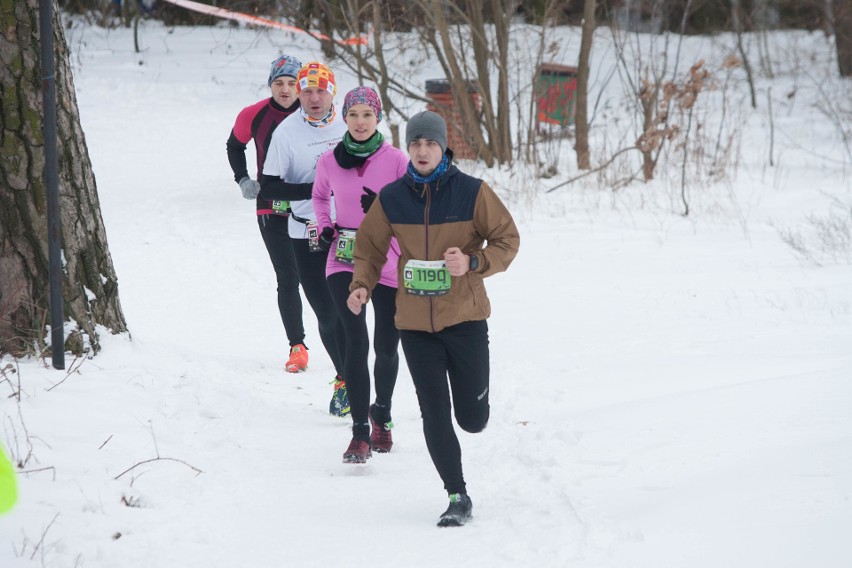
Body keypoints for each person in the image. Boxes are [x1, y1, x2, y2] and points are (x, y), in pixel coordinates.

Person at [347, 111, 520, 526]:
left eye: (431, 143)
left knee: (472, 419)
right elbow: (369, 248)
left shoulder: (472, 192)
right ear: (408, 148)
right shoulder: (392, 197)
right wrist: (361, 285)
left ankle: (475, 412)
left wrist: (474, 260)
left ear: (444, 147)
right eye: (416, 143)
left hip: (465, 319)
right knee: (434, 413)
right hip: (414, 325)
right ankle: (457, 494)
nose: (423, 150)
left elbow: (507, 240)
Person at [312, 86, 408, 463]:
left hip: (387, 260)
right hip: (345, 258)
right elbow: (320, 197)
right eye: (353, 115)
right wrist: (325, 225)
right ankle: (359, 432)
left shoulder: (397, 160)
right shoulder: (328, 161)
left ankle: (381, 413)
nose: (361, 122)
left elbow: (416, 204)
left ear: (378, 118)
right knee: (355, 341)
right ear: (344, 119)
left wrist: (385, 208)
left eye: (368, 115)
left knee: (386, 346)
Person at [260, 62, 349, 416]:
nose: (313, 98)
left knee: (350, 311)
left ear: (333, 93)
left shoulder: (351, 123)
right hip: (306, 231)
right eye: (306, 91)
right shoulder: (286, 133)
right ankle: (345, 377)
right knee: (327, 314)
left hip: (350, 230)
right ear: (298, 93)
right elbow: (267, 188)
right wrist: (314, 190)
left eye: (321, 91)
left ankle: (353, 380)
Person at [226, 54, 310, 374]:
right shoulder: (254, 114)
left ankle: (342, 337)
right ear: (270, 84)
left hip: (310, 208)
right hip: (271, 206)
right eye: (279, 83)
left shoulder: (313, 113)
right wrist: (243, 179)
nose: (286, 89)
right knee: (288, 277)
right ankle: (297, 346)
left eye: (292, 83)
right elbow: (235, 145)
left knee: (317, 276)